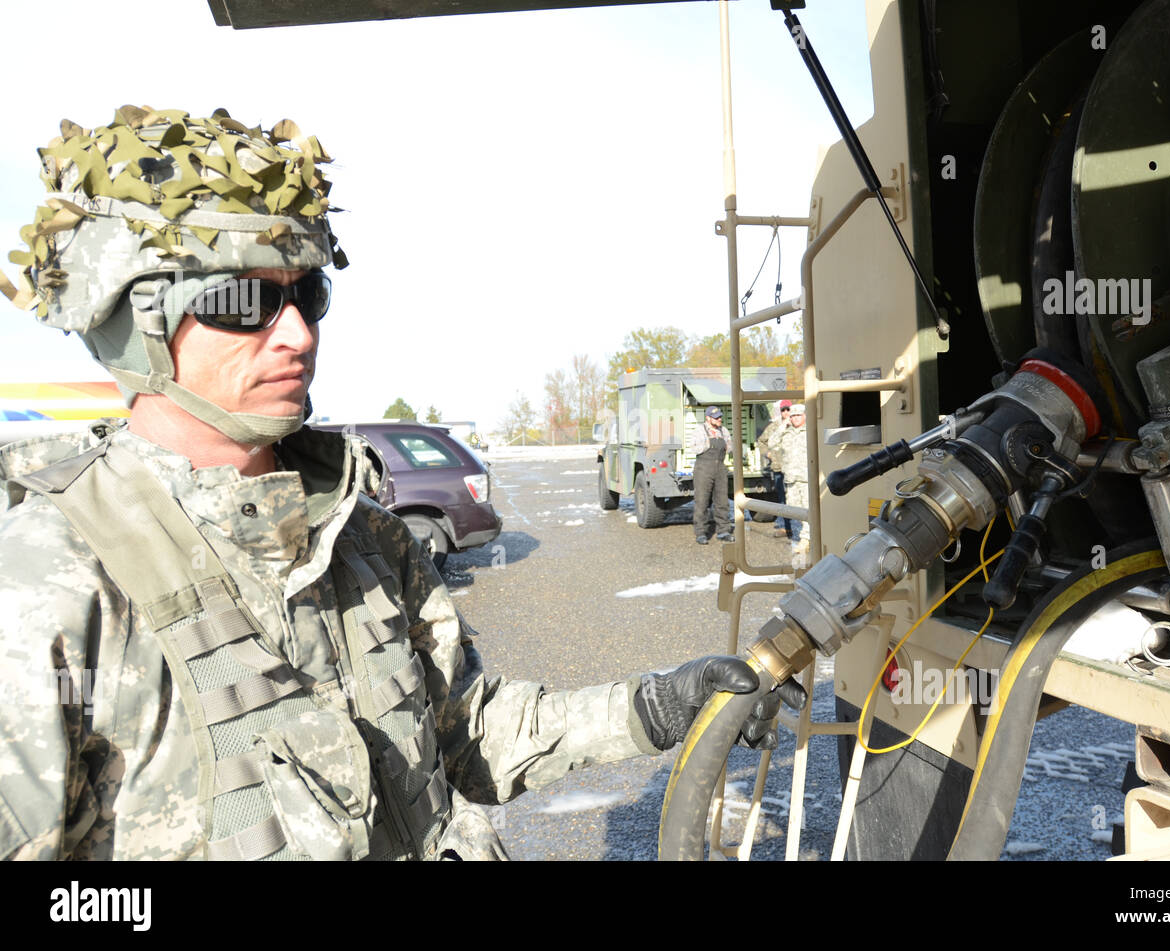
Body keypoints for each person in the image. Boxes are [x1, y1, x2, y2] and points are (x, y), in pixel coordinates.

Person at [0, 108, 801, 861]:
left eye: (307, 294)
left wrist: (654, 705)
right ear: (136, 322)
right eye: (245, 301)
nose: (298, 333)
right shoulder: (49, 575)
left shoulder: (362, 535)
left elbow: (467, 734)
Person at [690, 405, 734, 545]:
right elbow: (693, 448)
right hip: (704, 467)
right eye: (716, 417)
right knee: (702, 501)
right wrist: (708, 442)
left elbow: (729, 447)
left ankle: (723, 531)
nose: (719, 419)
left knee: (722, 501)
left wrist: (725, 445)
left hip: (720, 467)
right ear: (708, 418)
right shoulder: (700, 430)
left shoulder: (724, 430)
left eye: (720, 416)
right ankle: (701, 532)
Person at [777, 403, 810, 556]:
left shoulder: (810, 431)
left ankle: (805, 540)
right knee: (794, 510)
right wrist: (783, 426)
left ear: (804, 416)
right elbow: (771, 443)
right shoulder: (786, 432)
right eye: (793, 416)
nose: (796, 418)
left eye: (798, 415)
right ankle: (803, 539)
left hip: (806, 478)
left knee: (808, 510)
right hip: (791, 479)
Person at [757, 399, 792, 538]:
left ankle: (808, 533)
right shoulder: (774, 427)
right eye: (783, 410)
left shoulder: (797, 424)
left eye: (788, 409)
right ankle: (787, 528)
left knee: (803, 502)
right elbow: (761, 441)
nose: (786, 412)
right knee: (783, 501)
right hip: (779, 469)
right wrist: (767, 453)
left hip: (796, 471)